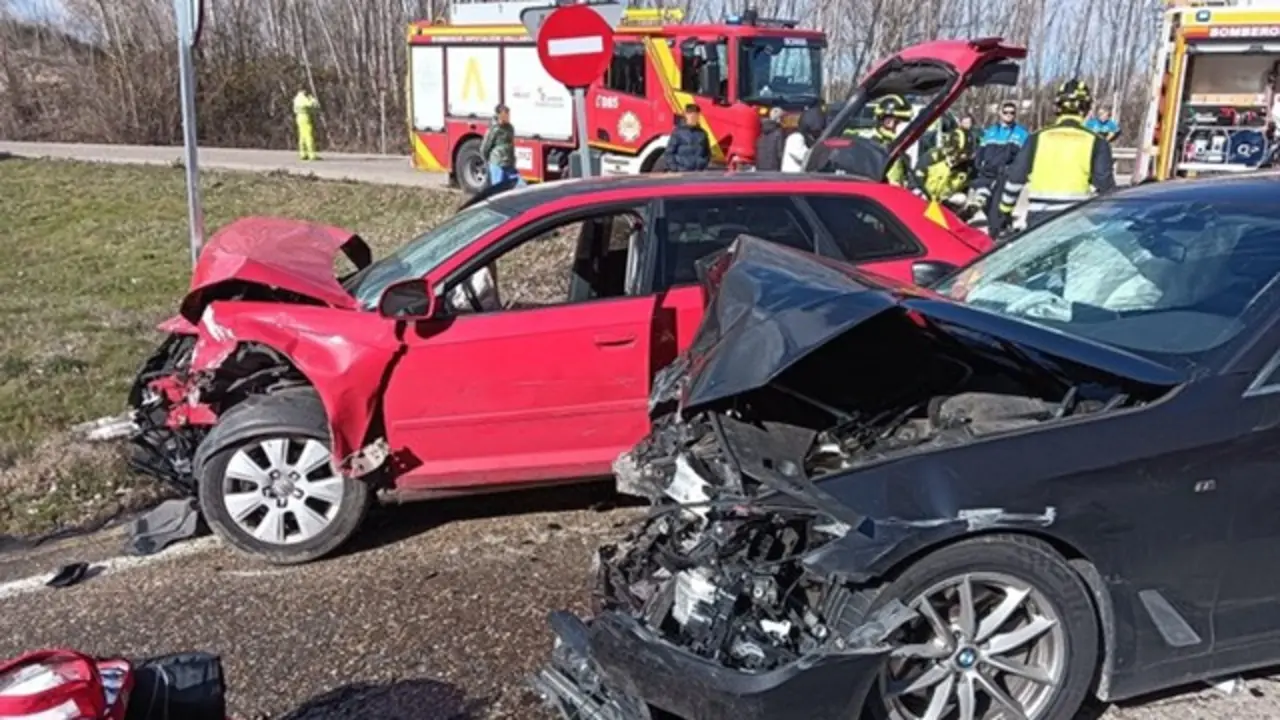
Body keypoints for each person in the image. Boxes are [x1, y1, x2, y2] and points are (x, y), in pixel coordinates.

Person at [997, 79, 1116, 236]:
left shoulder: (1038, 137)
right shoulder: (1096, 141)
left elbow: (1015, 177)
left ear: (1058, 107)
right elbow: (1105, 187)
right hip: (1075, 218)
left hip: (1038, 217)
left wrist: (1005, 210)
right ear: (1086, 108)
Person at [970, 101, 1028, 230]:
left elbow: (1024, 157)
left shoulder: (1021, 134)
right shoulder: (991, 131)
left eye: (1012, 113)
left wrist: (1014, 171)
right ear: (1000, 113)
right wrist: (978, 165)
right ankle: (1005, 228)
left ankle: (996, 235)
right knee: (986, 205)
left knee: (997, 210)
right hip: (987, 173)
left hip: (1005, 175)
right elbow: (981, 150)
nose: (1009, 115)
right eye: (1006, 112)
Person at [917, 128, 974, 209]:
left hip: (940, 209)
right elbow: (914, 183)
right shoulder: (933, 157)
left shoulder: (965, 171)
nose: (964, 156)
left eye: (967, 153)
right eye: (962, 152)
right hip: (918, 201)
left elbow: (963, 194)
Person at [867, 94, 914, 187]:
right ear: (887, 122)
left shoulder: (896, 147)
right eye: (898, 122)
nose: (903, 127)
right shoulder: (875, 146)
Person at [480, 104, 520, 188]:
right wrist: (489, 161)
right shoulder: (494, 129)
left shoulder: (510, 128)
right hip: (497, 164)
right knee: (498, 188)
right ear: (499, 115)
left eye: (509, 114)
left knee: (513, 186)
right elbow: (485, 148)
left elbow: (511, 145)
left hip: (509, 164)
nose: (508, 117)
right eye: (506, 114)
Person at [664, 103, 712, 172]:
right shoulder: (678, 132)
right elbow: (668, 153)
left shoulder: (703, 134)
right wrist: (675, 169)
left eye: (695, 115)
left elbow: (707, 154)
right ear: (686, 115)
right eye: (690, 115)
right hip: (681, 174)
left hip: (697, 174)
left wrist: (702, 165)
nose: (693, 118)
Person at [782, 105, 825, 172]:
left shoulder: (804, 139)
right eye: (815, 132)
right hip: (793, 179)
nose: (817, 135)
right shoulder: (795, 138)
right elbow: (805, 158)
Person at [754, 107, 785, 172]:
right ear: (779, 119)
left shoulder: (761, 129)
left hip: (760, 166)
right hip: (773, 167)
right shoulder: (778, 132)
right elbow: (780, 153)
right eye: (783, 118)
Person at [292, 89, 320, 161]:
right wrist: (312, 99)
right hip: (305, 117)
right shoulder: (303, 98)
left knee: (302, 136)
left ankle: (303, 153)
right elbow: (311, 104)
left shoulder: (296, 98)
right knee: (308, 136)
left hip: (299, 117)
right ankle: (311, 154)